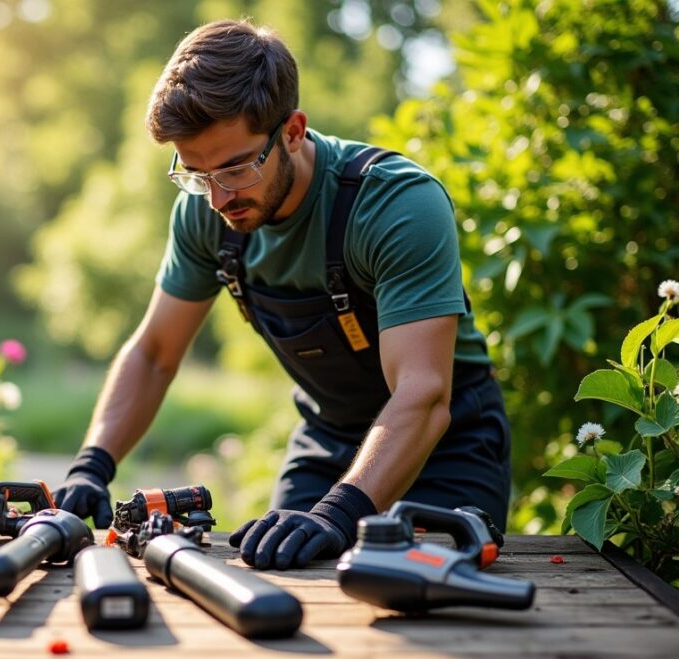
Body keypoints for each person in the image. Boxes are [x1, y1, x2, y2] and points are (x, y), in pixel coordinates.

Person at [52, 19, 511, 571]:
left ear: (292, 131)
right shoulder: (205, 214)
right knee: (273, 581)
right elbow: (154, 354)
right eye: (196, 173)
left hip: (443, 444)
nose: (218, 198)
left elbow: (425, 393)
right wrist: (91, 466)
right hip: (327, 438)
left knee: (411, 594)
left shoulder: (395, 205)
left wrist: (338, 513)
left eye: (236, 167)